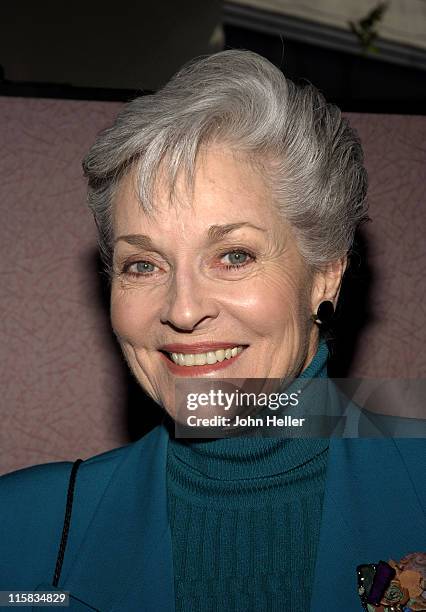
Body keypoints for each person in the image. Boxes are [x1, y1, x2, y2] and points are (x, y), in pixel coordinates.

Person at [1, 50, 425, 612]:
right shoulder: (20, 529)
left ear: (325, 273)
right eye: (143, 264)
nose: (182, 309)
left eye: (233, 255)